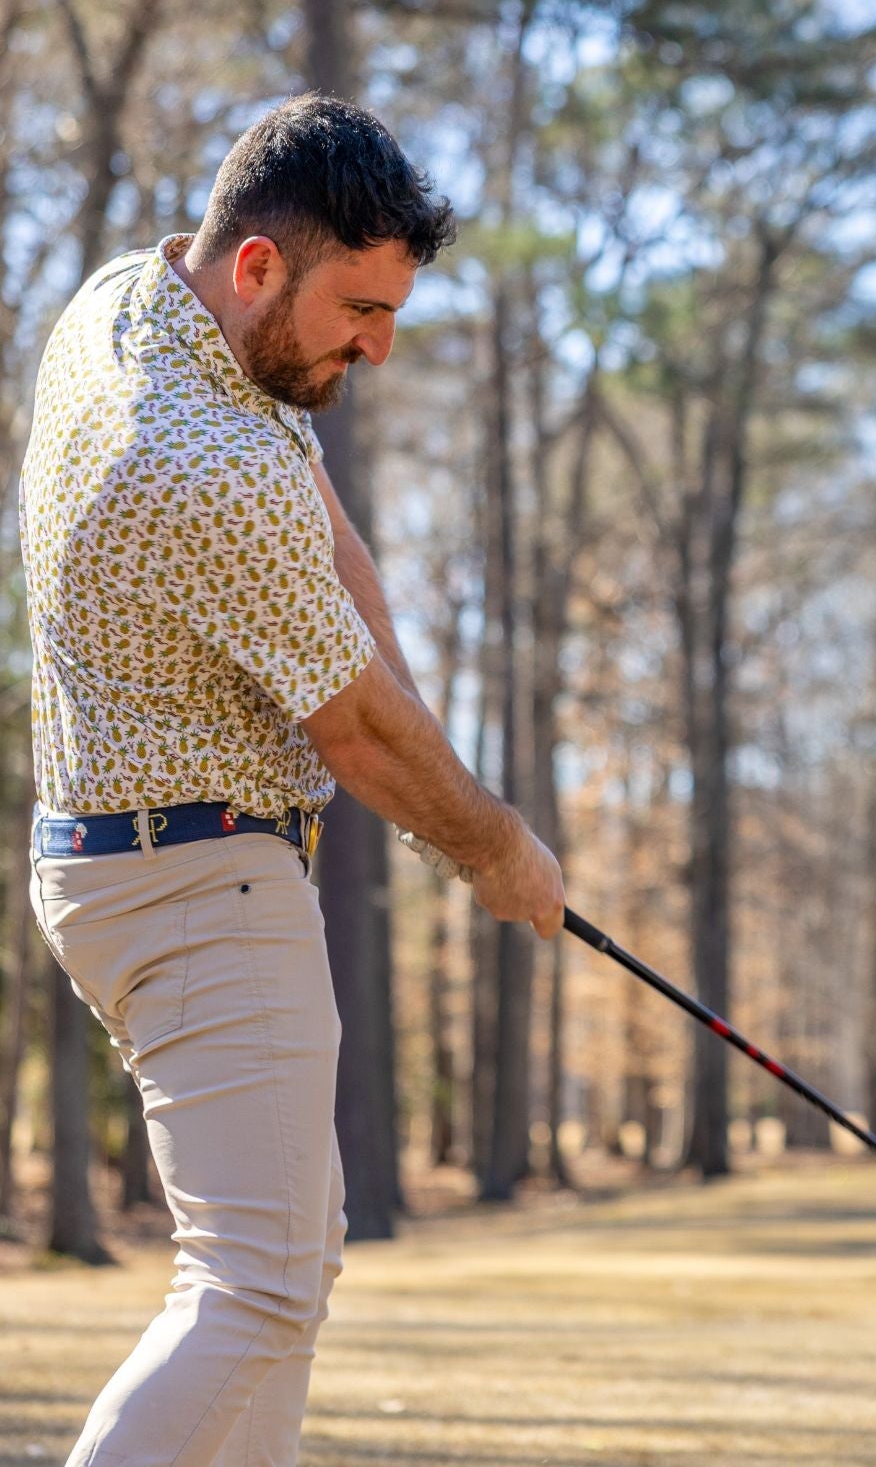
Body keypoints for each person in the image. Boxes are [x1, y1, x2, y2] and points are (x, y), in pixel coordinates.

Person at [21, 91, 565, 1467]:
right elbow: (362, 737)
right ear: (259, 266)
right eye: (360, 310)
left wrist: (420, 725)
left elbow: (323, 540)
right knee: (254, 1288)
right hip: (195, 878)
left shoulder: (133, 307)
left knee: (281, 1275)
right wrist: (498, 850)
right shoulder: (193, 456)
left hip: (132, 861)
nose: (377, 346)